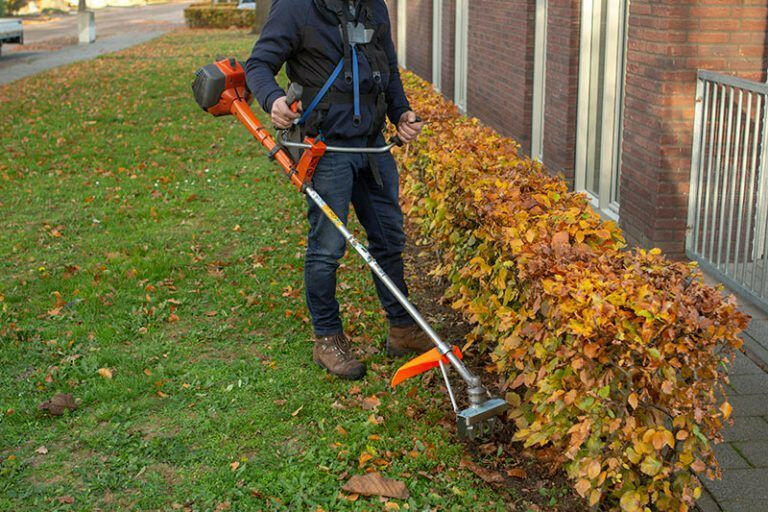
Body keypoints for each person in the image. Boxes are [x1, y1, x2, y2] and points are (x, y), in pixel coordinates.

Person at [245, 0, 429, 380]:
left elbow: (388, 69)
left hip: (373, 146)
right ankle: (327, 338)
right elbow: (258, 65)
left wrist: (402, 113)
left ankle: (402, 329)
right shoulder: (296, 7)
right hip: (327, 148)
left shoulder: (373, 6)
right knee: (328, 248)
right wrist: (273, 99)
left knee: (389, 239)